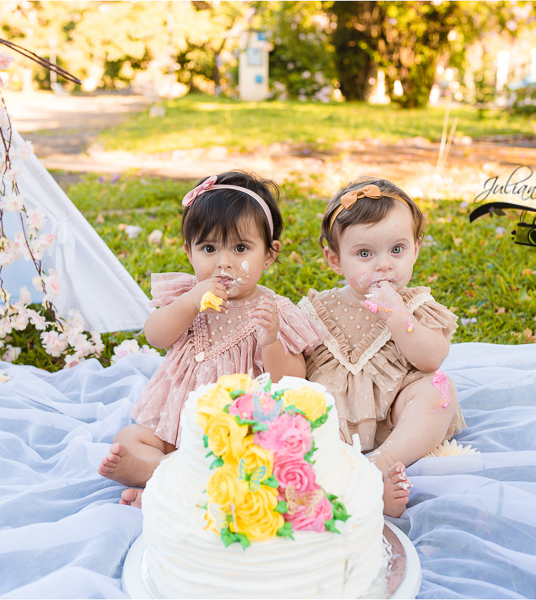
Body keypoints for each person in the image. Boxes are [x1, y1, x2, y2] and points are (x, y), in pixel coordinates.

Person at [99, 171, 325, 506]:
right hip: (174, 428)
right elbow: (156, 335)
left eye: (240, 248)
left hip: (236, 432)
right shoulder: (187, 296)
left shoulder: (273, 311)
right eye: (209, 248)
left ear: (269, 254)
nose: (224, 262)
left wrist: (271, 342)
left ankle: (161, 483)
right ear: (189, 252)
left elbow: (294, 380)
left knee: (256, 462)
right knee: (130, 437)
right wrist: (189, 303)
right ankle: (167, 473)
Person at [299, 177, 466, 517]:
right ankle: (336, 478)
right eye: (364, 254)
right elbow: (294, 369)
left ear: (416, 248)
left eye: (397, 250)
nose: (384, 264)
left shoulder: (415, 304)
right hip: (335, 419)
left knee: (438, 389)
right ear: (335, 260)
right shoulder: (320, 309)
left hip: (395, 413)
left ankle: (383, 461)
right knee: (298, 407)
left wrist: (397, 315)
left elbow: (432, 357)